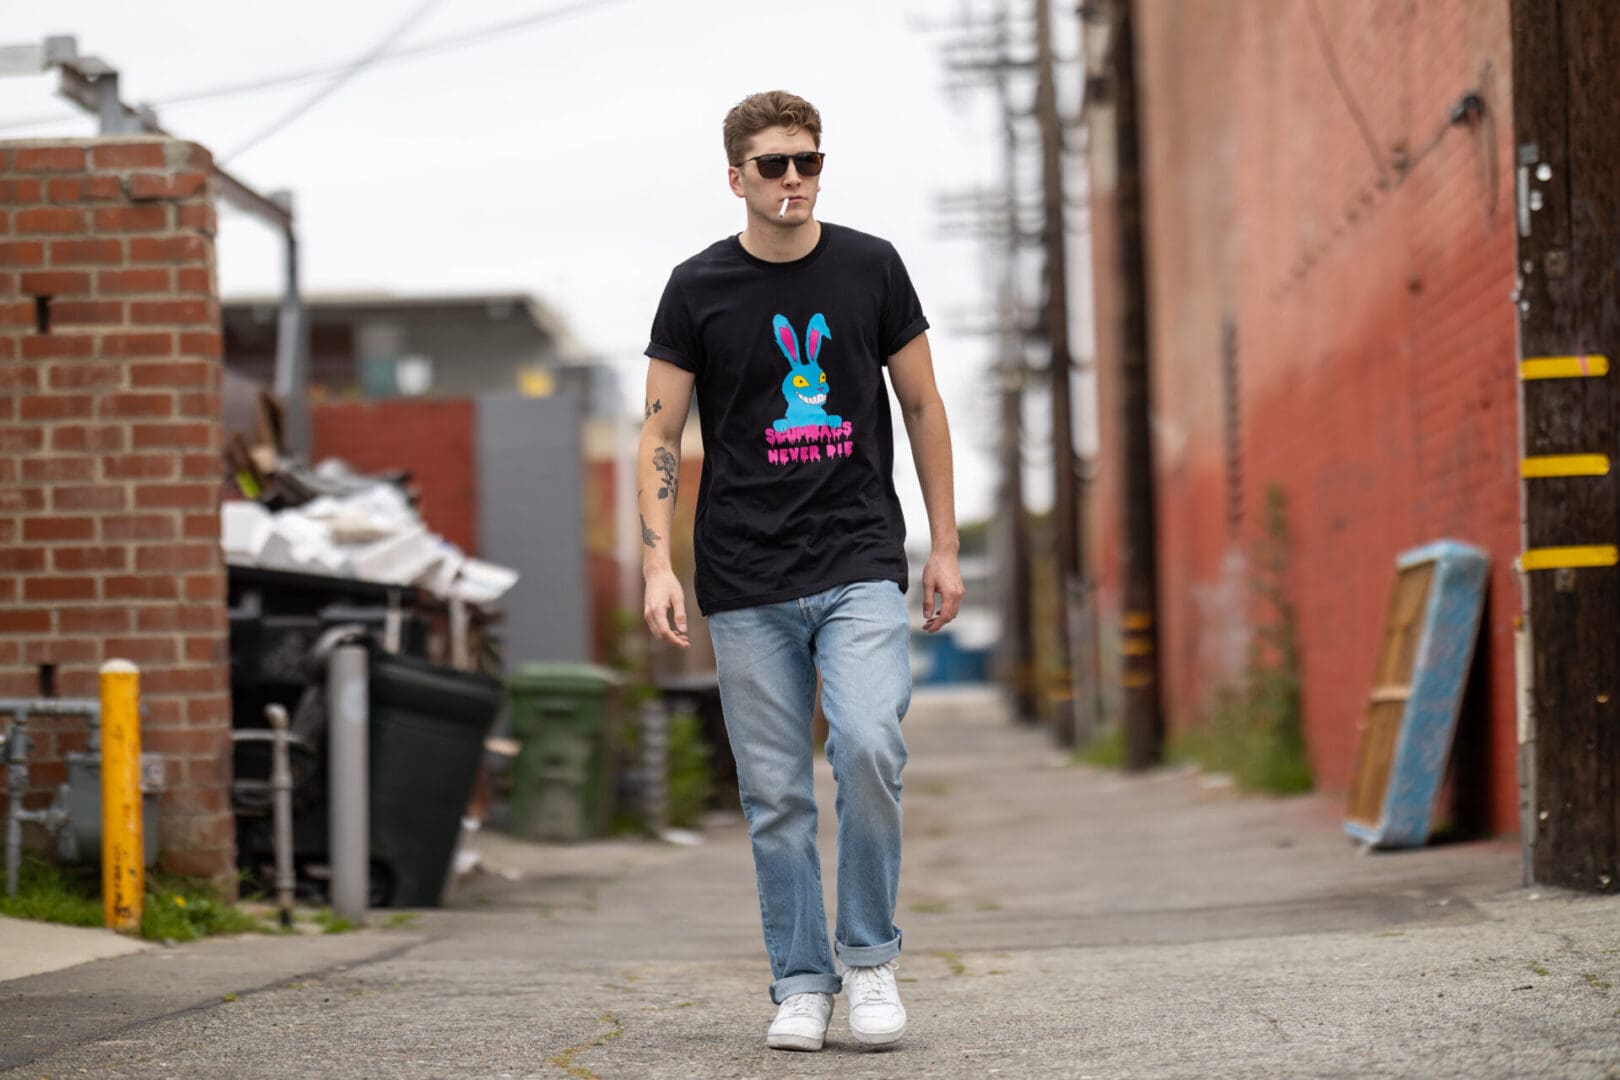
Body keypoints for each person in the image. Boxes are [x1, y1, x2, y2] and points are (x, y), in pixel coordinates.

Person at [638, 89, 963, 1053]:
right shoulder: (696, 288)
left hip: (859, 555)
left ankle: (868, 959)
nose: (792, 180)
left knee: (867, 744)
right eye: (773, 164)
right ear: (736, 177)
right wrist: (659, 565)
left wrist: (942, 542)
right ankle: (801, 980)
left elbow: (924, 407)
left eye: (807, 161)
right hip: (744, 576)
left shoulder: (871, 268)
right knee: (775, 793)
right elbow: (660, 432)